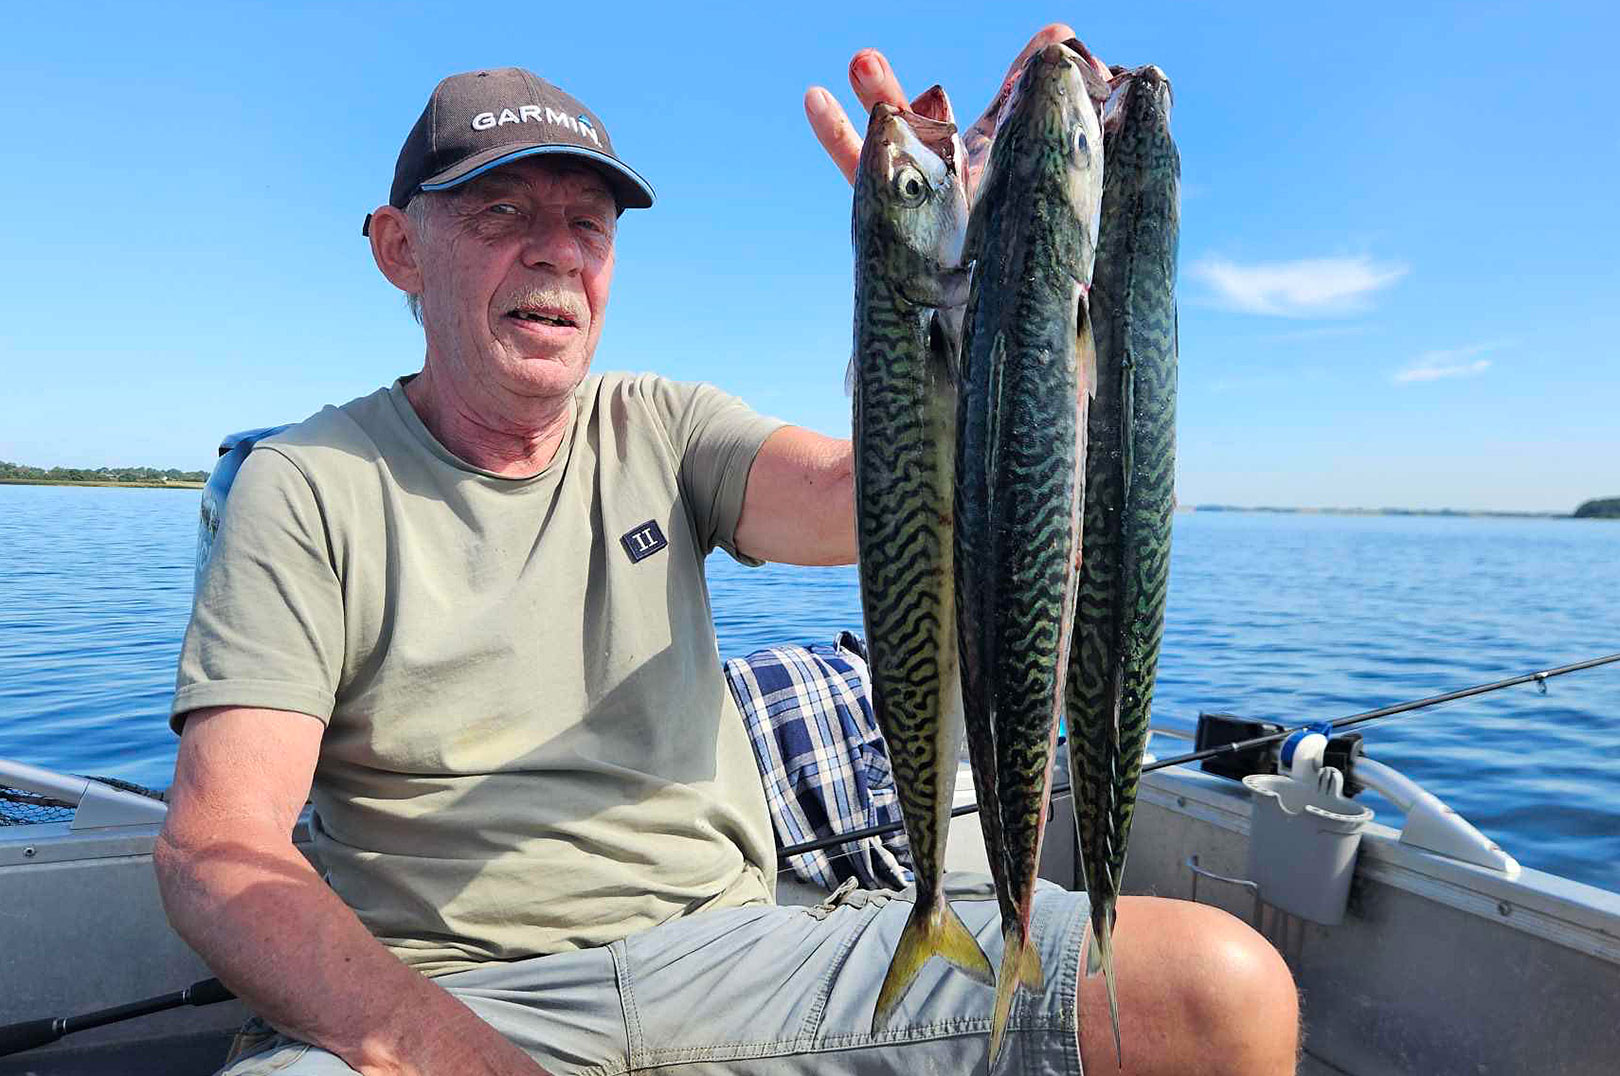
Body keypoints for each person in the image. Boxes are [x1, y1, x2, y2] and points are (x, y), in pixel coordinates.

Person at [155, 25, 1300, 1076]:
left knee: (1221, 990)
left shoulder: (662, 424)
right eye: (501, 212)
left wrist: (948, 294)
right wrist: (440, 1046)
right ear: (401, 249)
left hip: (738, 956)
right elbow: (216, 846)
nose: (556, 253)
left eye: (587, 224)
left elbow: (880, 501)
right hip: (454, 989)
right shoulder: (305, 485)